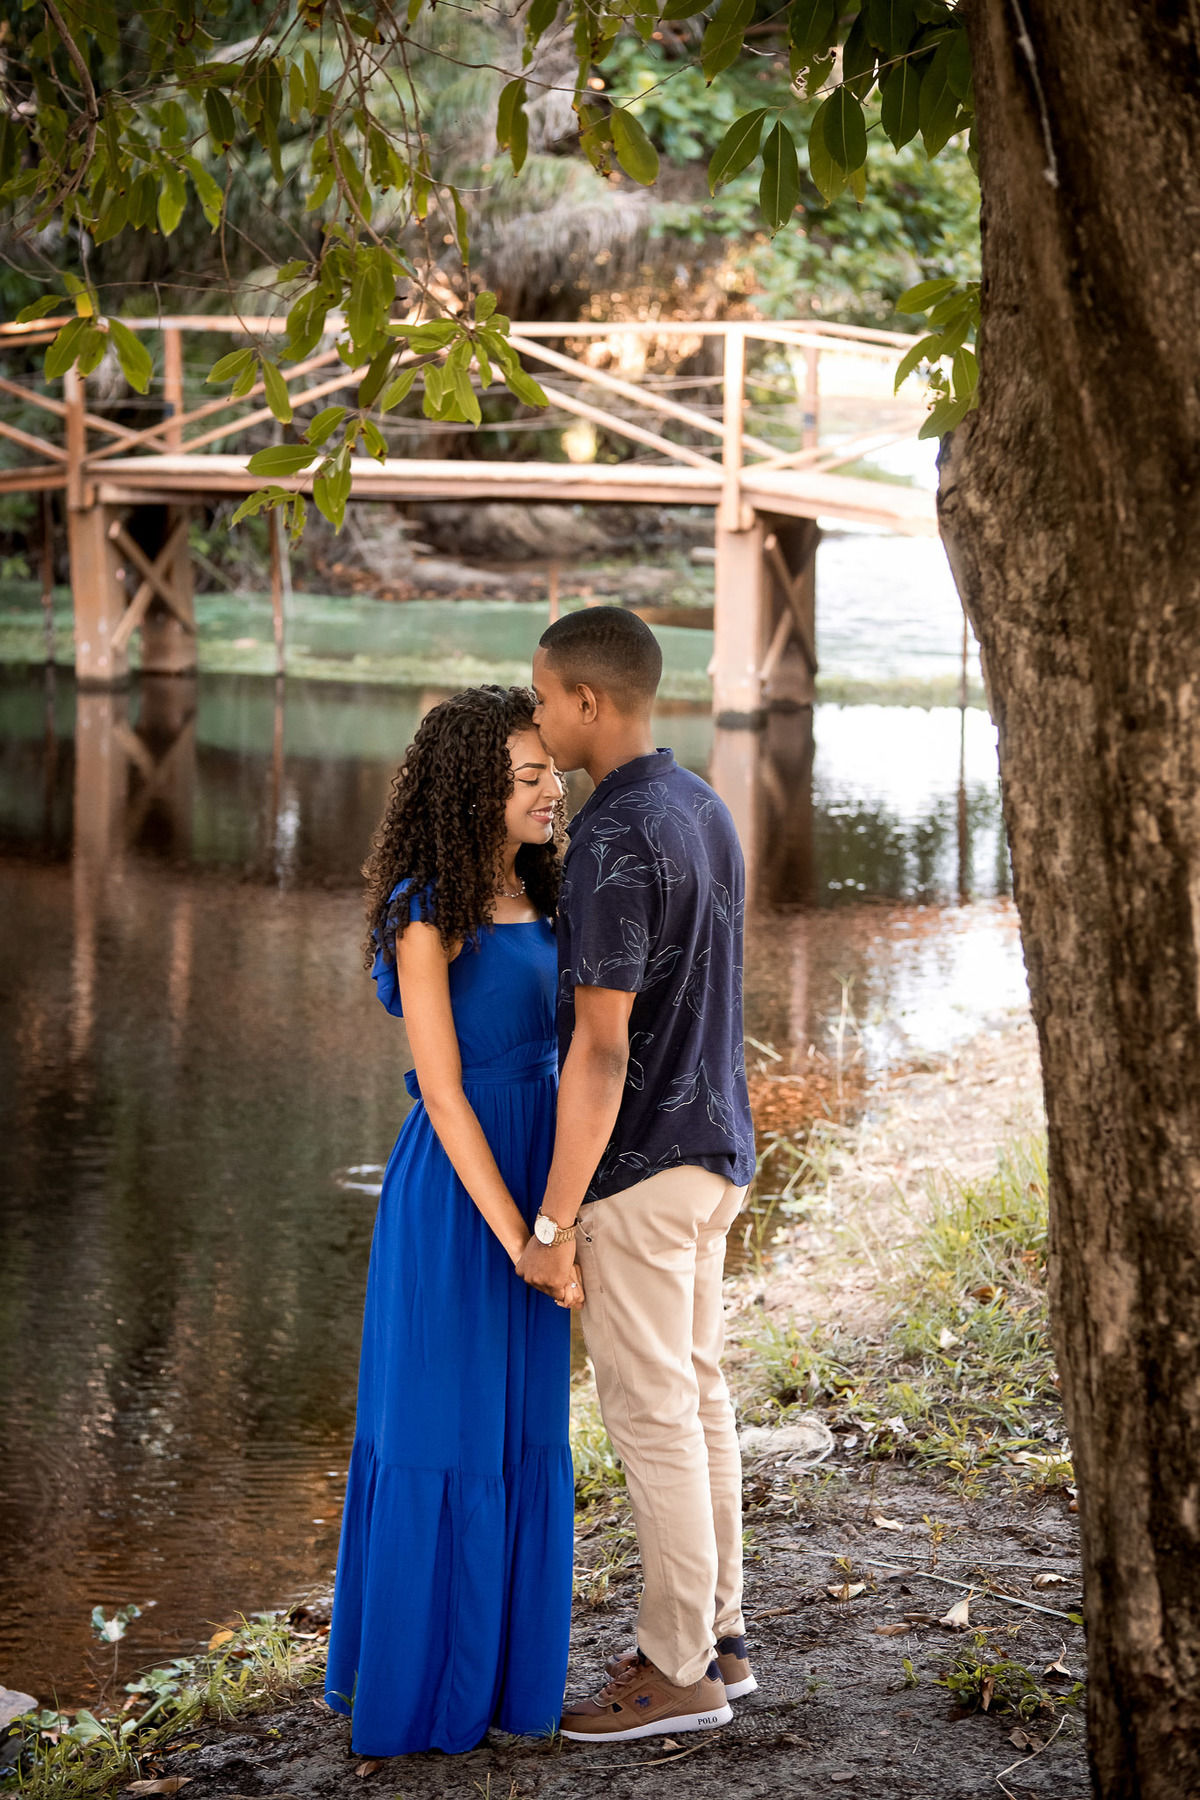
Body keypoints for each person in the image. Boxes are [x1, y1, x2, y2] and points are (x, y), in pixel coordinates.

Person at [325, 686, 582, 1757]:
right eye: (527, 777)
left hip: (542, 1181)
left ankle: (503, 1689)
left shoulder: (552, 897)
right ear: (473, 788)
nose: (550, 790)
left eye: (551, 772)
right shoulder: (424, 910)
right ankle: (420, 1693)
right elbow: (441, 1089)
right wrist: (517, 1236)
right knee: (442, 1434)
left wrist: (565, 1216)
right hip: (459, 1197)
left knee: (522, 1435)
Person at [518, 606, 758, 1744]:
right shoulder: (702, 804)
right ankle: (721, 1639)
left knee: (653, 1413)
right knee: (698, 1397)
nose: (538, 719)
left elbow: (601, 1046)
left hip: (645, 1167)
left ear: (587, 704)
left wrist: (556, 1216)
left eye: (544, 697)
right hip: (717, 1154)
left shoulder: (612, 837)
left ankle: (676, 1673)